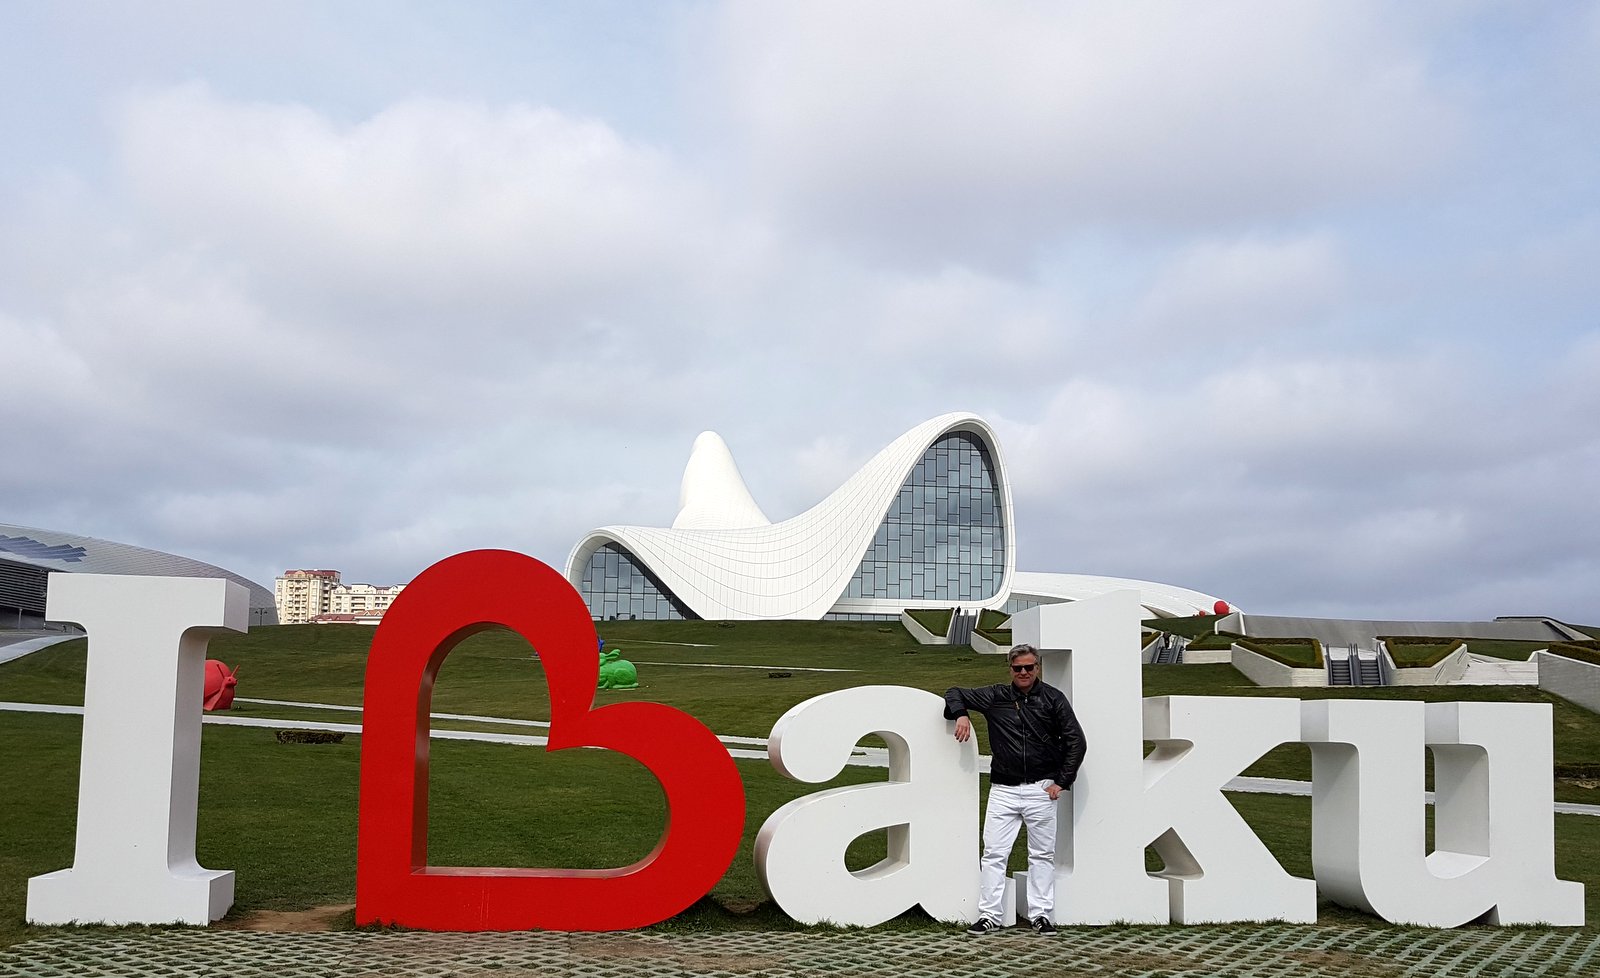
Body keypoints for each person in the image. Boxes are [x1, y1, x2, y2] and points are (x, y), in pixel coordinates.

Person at [945, 643, 1086, 936]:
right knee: (994, 853)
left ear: (1038, 668)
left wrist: (1062, 781)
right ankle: (989, 916)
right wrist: (961, 715)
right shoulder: (996, 696)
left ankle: (1041, 915)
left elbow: (1076, 741)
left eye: (1029, 667)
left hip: (1041, 788)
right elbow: (954, 691)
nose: (1023, 672)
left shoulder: (1053, 699)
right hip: (1003, 790)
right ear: (1010, 669)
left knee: (1042, 855)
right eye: (1018, 668)